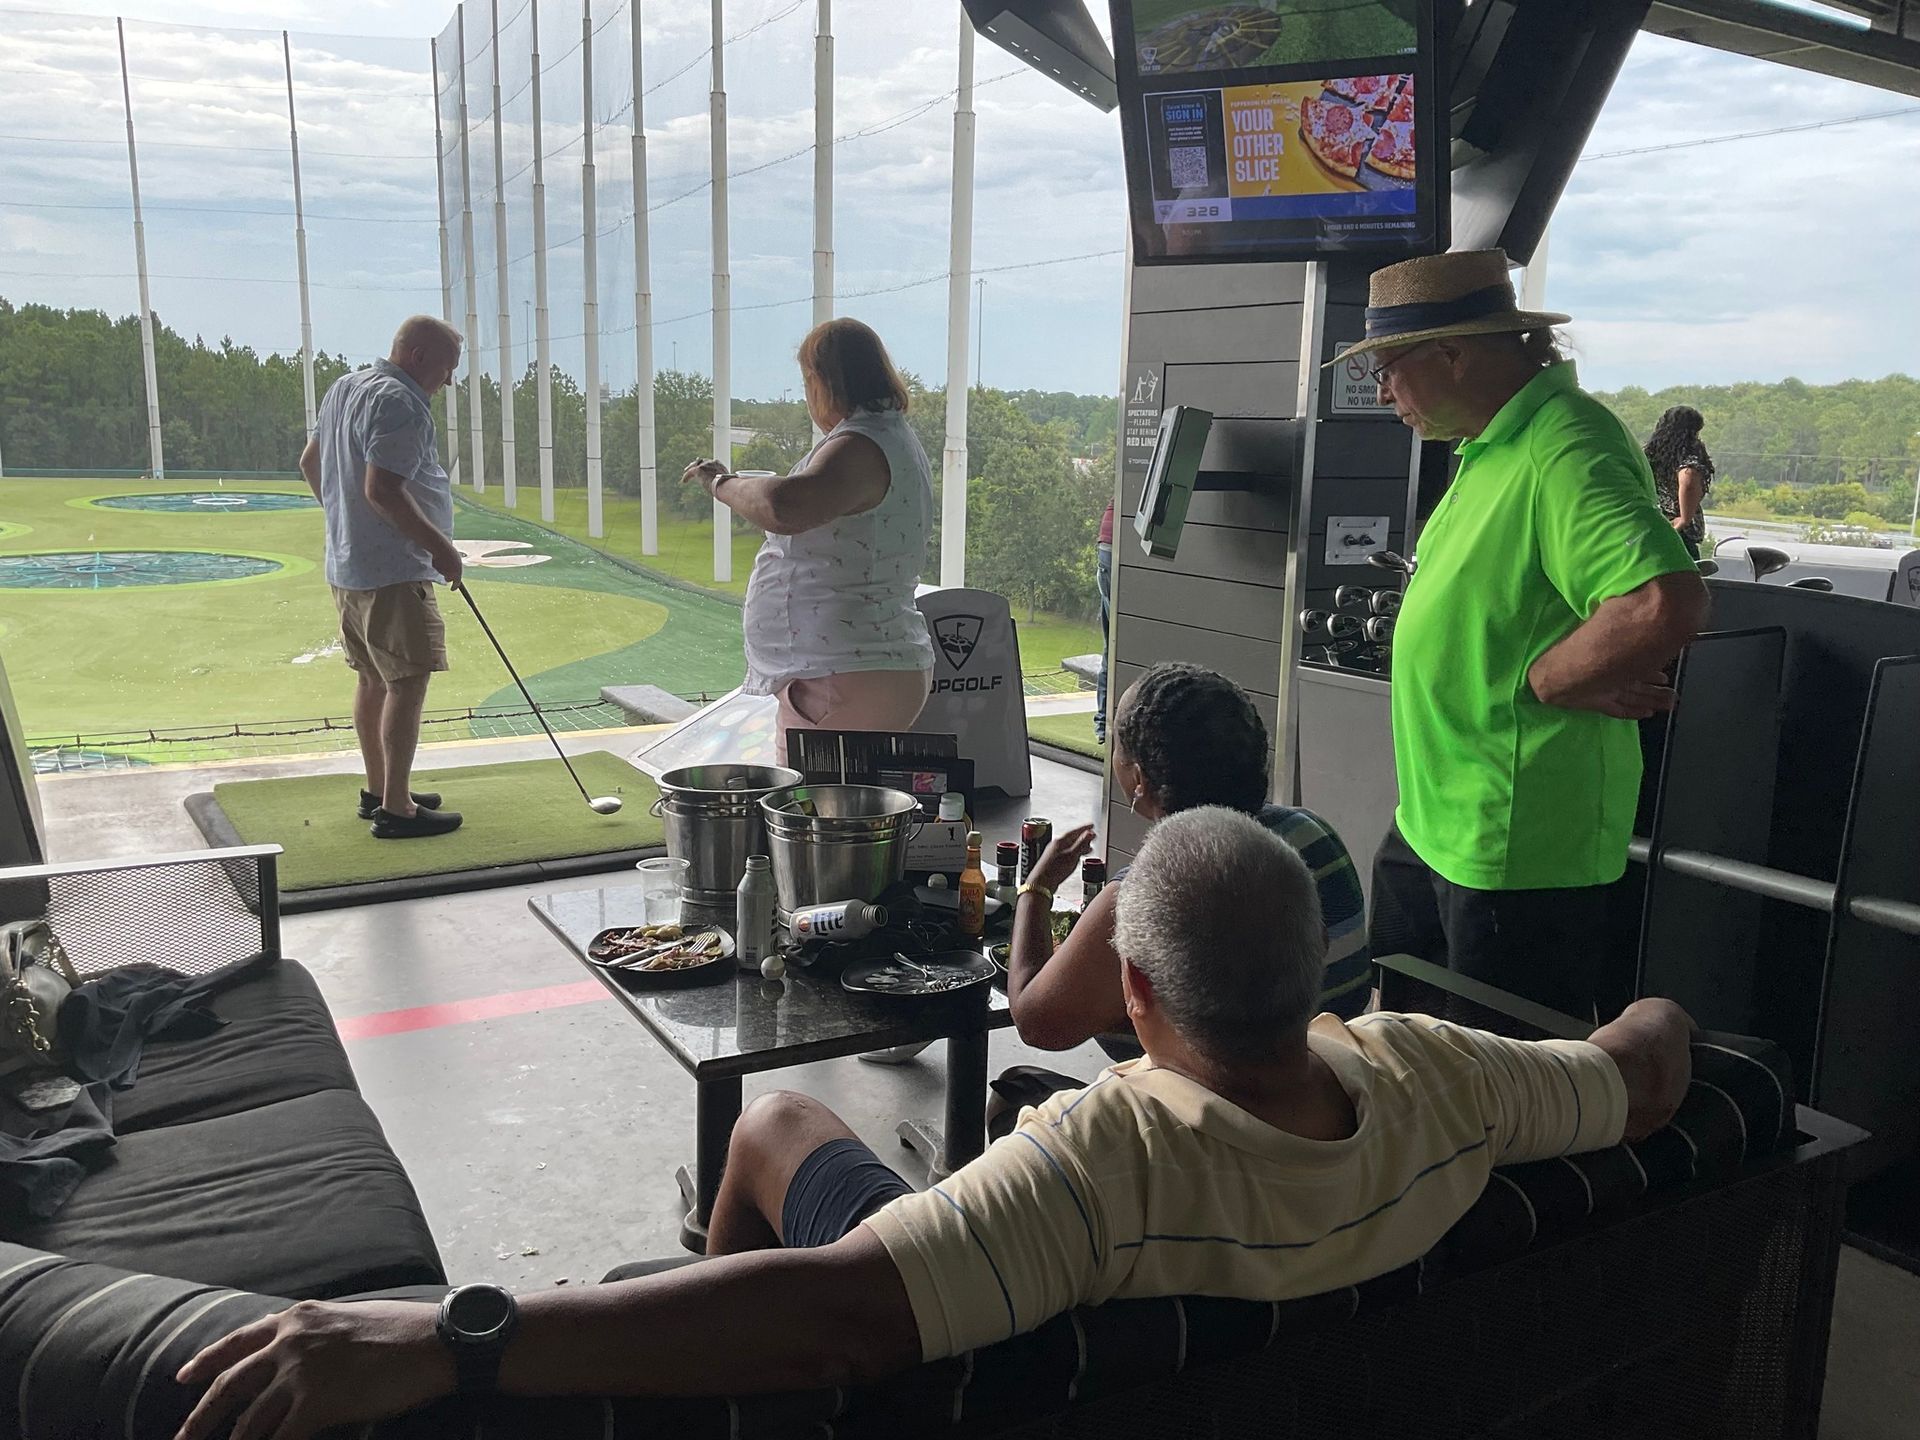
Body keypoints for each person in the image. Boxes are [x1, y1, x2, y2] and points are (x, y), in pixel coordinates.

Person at [172, 807, 1694, 1440]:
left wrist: (461, 1337)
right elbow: (1645, 1067)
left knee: (775, 1122)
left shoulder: (1103, 1170)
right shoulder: (1441, 1075)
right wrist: (1667, 1009)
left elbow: (840, 1321)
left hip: (1008, 1333)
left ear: (1137, 993)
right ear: (1316, 972)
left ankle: (692, 1329)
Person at [1334, 250, 1710, 1017]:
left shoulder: (1565, 444)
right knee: (1406, 1053)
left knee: (1499, 1080)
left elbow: (1661, 601)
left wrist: (1548, 679)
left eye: (1388, 367)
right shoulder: (1491, 444)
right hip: (1434, 821)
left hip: (1513, 850)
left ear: (1453, 354)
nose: (1381, 391)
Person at [1006, 663, 1371, 1078]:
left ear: (1138, 778)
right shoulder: (1314, 834)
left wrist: (1037, 887)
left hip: (1218, 1106)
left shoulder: (1153, 895)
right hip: (1329, 1079)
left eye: (1117, 742)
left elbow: (1036, 1022)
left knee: (1013, 1089)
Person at [683, 318, 933, 765]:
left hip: (843, 675)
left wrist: (720, 483)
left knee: (817, 807)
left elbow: (784, 506)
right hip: (849, 670)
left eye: (807, 381)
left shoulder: (860, 445)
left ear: (822, 381)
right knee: (834, 802)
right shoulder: (882, 437)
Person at [300, 315, 467, 840]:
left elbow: (309, 463)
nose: (448, 381)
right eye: (448, 368)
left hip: (349, 566)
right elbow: (383, 491)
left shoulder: (344, 387)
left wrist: (346, 521)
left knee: (372, 679)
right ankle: (397, 809)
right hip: (393, 572)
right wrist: (442, 549)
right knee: (407, 682)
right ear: (419, 357)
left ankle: (380, 790)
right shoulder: (401, 402)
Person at [1645, 405, 1715, 560]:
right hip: (1679, 533)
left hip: (1652, 526)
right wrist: (1684, 519)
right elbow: (1689, 480)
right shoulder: (1689, 458)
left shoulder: (1650, 456)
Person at [1095, 499, 1114, 744]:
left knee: (1112, 647)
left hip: (1108, 551)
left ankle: (1103, 725)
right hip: (1114, 550)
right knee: (1114, 648)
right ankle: (1104, 725)